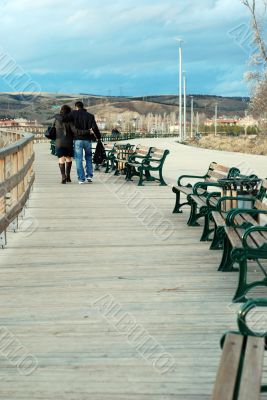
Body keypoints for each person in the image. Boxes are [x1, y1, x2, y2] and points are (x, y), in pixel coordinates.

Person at [63, 101, 101, 184]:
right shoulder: (90, 116)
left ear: (76, 107)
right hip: (88, 140)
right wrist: (98, 137)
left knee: (79, 159)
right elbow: (94, 127)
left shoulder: (73, 113)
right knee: (88, 158)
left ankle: (81, 178)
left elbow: (64, 119)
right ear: (83, 107)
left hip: (78, 140)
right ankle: (89, 176)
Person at [54, 105, 74, 184]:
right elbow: (73, 130)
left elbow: (54, 128)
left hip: (59, 141)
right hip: (68, 141)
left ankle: (63, 176)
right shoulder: (70, 120)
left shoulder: (56, 119)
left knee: (61, 158)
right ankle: (68, 176)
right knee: (68, 158)